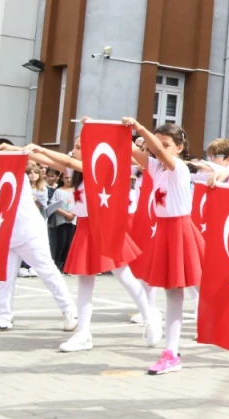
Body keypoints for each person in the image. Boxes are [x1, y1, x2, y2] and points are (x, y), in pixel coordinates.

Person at [24, 134, 160, 351]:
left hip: (105, 229)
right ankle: (83, 333)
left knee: (125, 278)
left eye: (79, 147)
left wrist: (39, 148)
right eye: (75, 146)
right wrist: (22, 152)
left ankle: (150, 318)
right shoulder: (76, 172)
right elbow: (55, 162)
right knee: (85, 281)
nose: (74, 150)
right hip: (85, 229)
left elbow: (66, 161)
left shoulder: (98, 168)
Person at [0, 143, 77, 335]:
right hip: (6, 235)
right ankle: (3, 318)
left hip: (29, 234)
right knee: (4, 278)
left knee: (48, 272)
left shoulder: (18, 176)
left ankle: (71, 312)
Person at [124, 119, 204, 375]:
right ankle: (171, 352)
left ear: (179, 148)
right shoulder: (155, 166)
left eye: (167, 144)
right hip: (165, 231)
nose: (159, 149)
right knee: (174, 295)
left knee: (208, 290)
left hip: (181, 231)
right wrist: (100, 127)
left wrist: (141, 129)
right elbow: (127, 147)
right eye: (158, 145)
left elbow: (156, 150)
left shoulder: (177, 166)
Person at [43, 168, 76, 271]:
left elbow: (80, 204)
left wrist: (73, 214)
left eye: (70, 178)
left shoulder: (76, 190)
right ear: (62, 178)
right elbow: (53, 204)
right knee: (60, 243)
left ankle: (66, 264)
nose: (68, 180)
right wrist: (65, 214)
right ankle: (57, 263)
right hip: (61, 220)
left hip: (73, 220)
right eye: (66, 178)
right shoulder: (58, 191)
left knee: (69, 243)